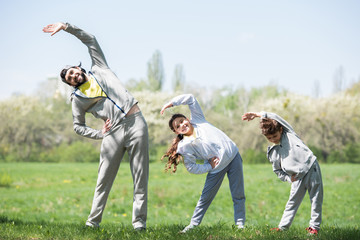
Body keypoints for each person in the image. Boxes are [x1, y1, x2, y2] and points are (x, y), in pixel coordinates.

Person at [43, 22, 149, 231]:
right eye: (70, 79)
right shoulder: (78, 100)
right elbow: (78, 126)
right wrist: (100, 133)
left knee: (140, 176)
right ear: (71, 84)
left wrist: (66, 27)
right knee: (103, 180)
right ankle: (92, 223)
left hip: (136, 124)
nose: (73, 76)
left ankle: (139, 225)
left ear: (78, 68)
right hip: (112, 133)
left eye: (73, 71)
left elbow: (90, 39)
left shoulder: (99, 67)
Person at [160, 94, 246, 233]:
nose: (182, 125)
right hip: (217, 168)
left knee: (238, 194)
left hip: (234, 156)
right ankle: (193, 225)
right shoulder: (185, 146)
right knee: (205, 199)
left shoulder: (198, 120)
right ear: (176, 131)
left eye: (182, 120)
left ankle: (240, 224)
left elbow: (190, 98)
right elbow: (191, 167)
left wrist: (170, 104)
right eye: (178, 126)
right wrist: (209, 166)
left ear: (188, 119)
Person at [242, 112, 323, 235]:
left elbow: (275, 116)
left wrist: (258, 115)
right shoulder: (273, 153)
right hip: (297, 177)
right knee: (292, 202)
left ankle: (314, 227)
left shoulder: (289, 134)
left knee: (316, 199)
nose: (273, 139)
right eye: (270, 138)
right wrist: (289, 178)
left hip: (311, 167)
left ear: (280, 129)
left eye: (275, 135)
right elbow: (278, 171)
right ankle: (283, 227)